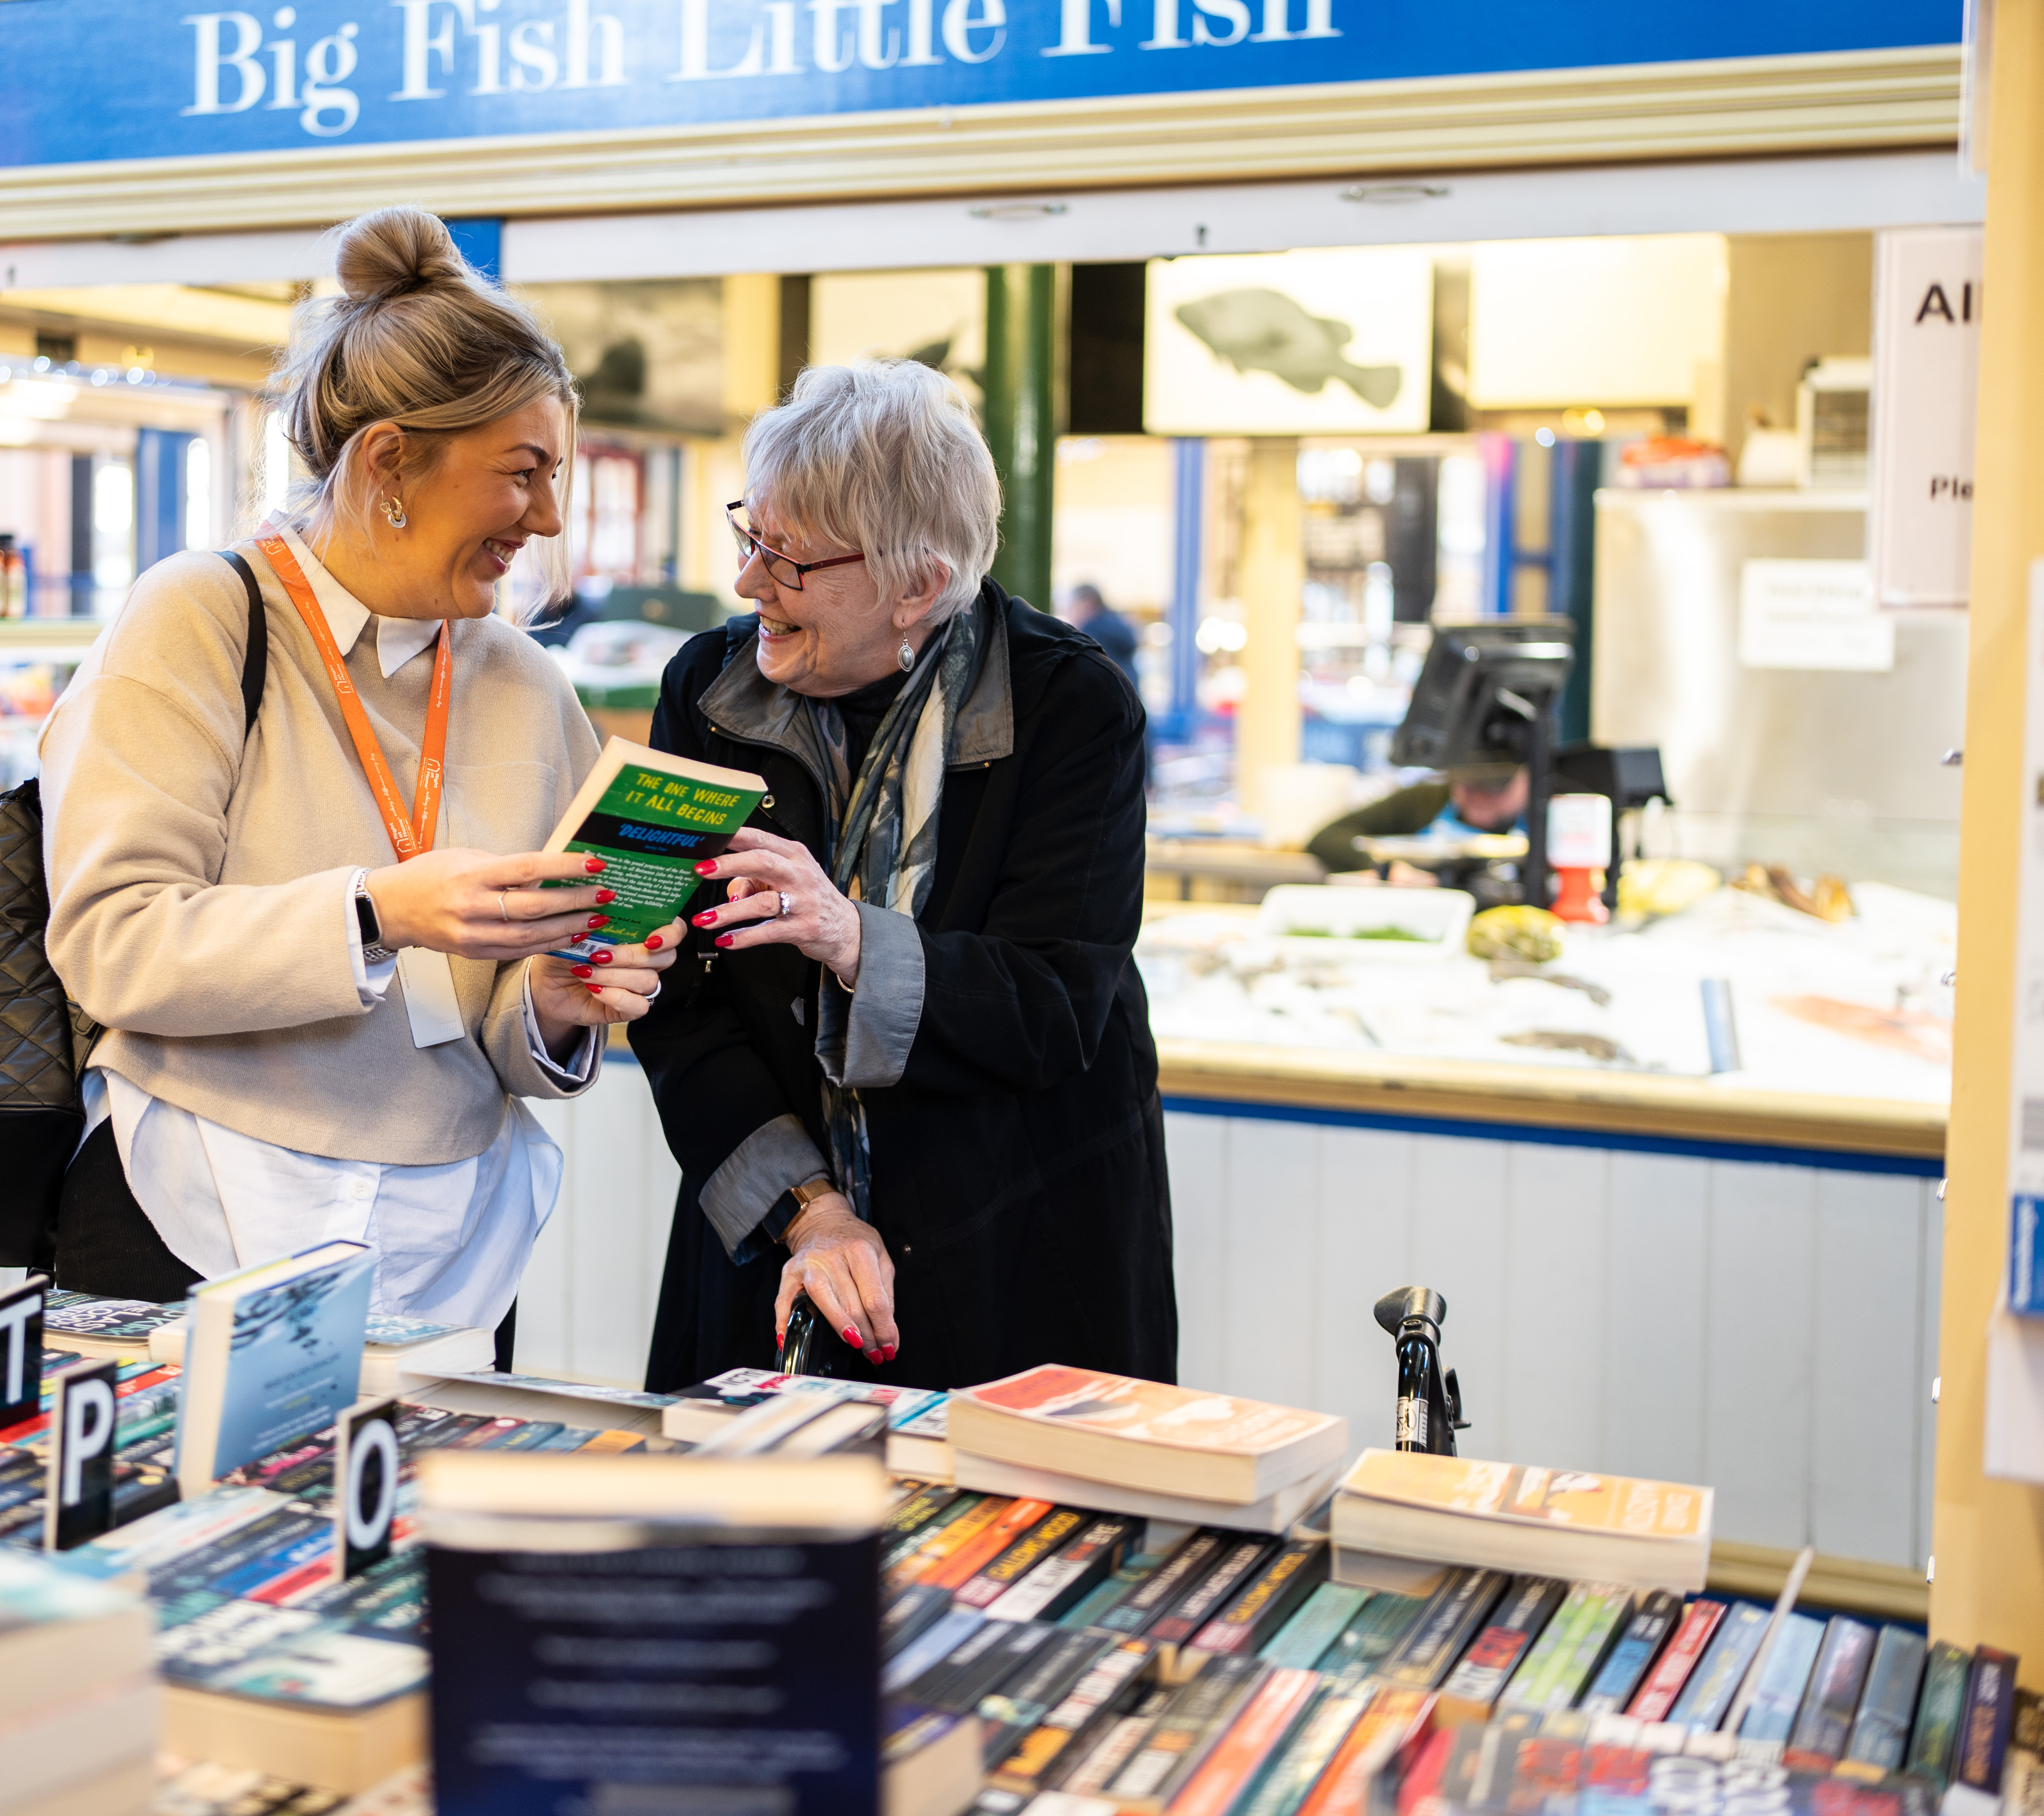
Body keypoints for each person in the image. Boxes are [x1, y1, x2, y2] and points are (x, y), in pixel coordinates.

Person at [34, 208, 684, 1336]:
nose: (548, 516)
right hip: (196, 1210)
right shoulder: (201, 617)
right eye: (521, 473)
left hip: (458, 1248)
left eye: (557, 474)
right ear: (389, 460)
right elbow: (112, 942)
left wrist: (556, 1006)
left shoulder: (526, 680)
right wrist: (377, 912)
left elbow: (502, 1022)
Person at [630, 359, 1176, 1393]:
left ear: (917, 582)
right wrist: (812, 1211)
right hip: (774, 1242)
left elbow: (1055, 1008)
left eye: (786, 560)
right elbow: (678, 1001)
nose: (749, 583)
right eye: (750, 536)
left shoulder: (1070, 707)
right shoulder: (706, 689)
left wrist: (851, 937)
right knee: (748, 1543)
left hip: (1014, 1247)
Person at [1303, 762, 1529, 875]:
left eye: (1495, 790)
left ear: (1526, 781)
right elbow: (1326, 838)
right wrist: (1386, 870)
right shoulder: (1425, 800)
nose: (1479, 797)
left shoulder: (1552, 814)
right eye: (1469, 787)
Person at [1066, 583, 1141, 683]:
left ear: (1087, 604)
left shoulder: (1091, 633)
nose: (1070, 612)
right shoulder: (1116, 623)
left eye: (1072, 606)